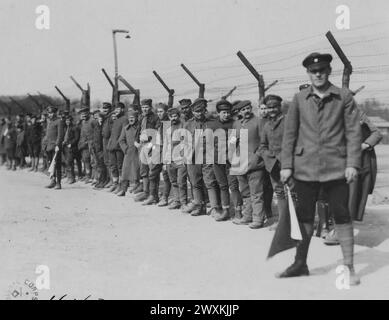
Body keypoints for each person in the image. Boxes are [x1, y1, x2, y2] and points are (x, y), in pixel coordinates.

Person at [279, 52, 362, 285]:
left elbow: (354, 132)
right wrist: (286, 165)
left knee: (342, 215)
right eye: (314, 71)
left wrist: (353, 163)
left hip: (336, 168)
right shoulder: (299, 99)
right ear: (308, 73)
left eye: (322, 71)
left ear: (328, 72)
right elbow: (290, 134)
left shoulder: (343, 96)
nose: (318, 74)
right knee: (305, 216)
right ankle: (300, 263)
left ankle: (349, 267)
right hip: (305, 169)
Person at [324, 109, 383, 245]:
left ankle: (341, 233)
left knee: (349, 199)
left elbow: (377, 133)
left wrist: (364, 145)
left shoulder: (358, 113)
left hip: (354, 163)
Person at [232, 100, 267, 229]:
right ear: (239, 112)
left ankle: (258, 219)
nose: (246, 111)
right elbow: (232, 142)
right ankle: (247, 216)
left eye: (248, 108)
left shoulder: (259, 121)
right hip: (240, 163)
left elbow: (264, 142)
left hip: (255, 164)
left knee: (256, 193)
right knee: (245, 192)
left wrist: (257, 156)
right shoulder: (236, 124)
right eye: (243, 109)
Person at [259, 95, 286, 231]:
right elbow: (262, 146)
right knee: (279, 193)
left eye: (275, 107)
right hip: (273, 166)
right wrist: (269, 157)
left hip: (288, 164)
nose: (272, 110)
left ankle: (298, 223)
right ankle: (282, 222)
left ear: (280, 107)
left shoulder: (288, 121)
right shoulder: (266, 126)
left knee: (294, 194)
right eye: (269, 108)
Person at [135, 99, 159, 203]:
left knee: (152, 171)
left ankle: (153, 195)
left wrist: (151, 143)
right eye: (143, 107)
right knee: (143, 170)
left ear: (150, 107)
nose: (144, 109)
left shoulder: (155, 118)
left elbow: (158, 133)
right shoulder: (140, 117)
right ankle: (145, 192)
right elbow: (138, 130)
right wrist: (136, 141)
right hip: (142, 146)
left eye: (146, 107)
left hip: (151, 146)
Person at [166, 107, 188, 210]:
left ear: (178, 116)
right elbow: (166, 144)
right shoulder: (167, 128)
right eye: (171, 116)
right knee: (173, 181)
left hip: (180, 158)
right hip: (170, 158)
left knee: (181, 181)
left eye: (175, 116)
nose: (173, 118)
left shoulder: (183, 126)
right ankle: (176, 200)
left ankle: (184, 202)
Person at [117, 110, 141, 196]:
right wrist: (125, 149)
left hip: (138, 152)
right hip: (128, 152)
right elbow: (121, 140)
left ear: (136, 118)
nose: (131, 119)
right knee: (125, 171)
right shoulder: (125, 128)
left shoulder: (140, 127)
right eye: (130, 118)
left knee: (137, 171)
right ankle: (123, 189)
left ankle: (137, 188)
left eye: (133, 118)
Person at [107, 102, 128, 193]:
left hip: (119, 147)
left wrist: (119, 144)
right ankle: (115, 183)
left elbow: (124, 134)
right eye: (115, 109)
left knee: (120, 166)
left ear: (123, 110)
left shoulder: (125, 119)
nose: (116, 111)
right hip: (112, 147)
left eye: (118, 109)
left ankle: (121, 185)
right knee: (113, 166)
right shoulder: (116, 120)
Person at [44, 106, 64, 189]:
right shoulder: (49, 122)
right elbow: (48, 135)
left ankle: (58, 183)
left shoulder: (59, 121)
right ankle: (52, 181)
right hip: (49, 146)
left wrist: (57, 145)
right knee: (50, 164)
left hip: (55, 147)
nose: (50, 114)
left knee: (57, 165)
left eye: (51, 113)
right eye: (49, 113)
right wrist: (45, 145)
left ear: (55, 113)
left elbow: (60, 135)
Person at [78, 108, 94, 183]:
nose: (83, 115)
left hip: (90, 144)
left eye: (85, 114)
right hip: (83, 144)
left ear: (88, 113)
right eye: (82, 114)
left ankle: (91, 176)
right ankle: (87, 175)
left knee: (91, 161)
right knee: (85, 160)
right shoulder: (82, 122)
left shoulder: (92, 121)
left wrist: (89, 142)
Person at [62, 115, 80, 184]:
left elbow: (76, 138)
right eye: (66, 120)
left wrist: (71, 144)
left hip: (72, 148)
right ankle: (69, 177)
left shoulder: (75, 128)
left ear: (71, 121)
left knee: (70, 162)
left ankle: (72, 178)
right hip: (65, 147)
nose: (67, 122)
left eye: (69, 120)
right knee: (67, 162)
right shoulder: (65, 128)